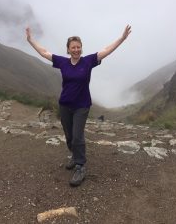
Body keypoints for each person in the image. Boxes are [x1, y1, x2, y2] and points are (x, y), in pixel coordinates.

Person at [26, 25, 131, 187]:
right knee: (68, 136)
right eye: (73, 47)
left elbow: (106, 50)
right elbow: (44, 52)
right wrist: (31, 40)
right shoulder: (63, 62)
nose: (76, 50)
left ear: (81, 48)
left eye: (78, 47)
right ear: (68, 49)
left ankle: (80, 166)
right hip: (65, 105)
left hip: (82, 105)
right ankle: (74, 156)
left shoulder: (88, 61)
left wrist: (122, 39)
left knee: (77, 136)